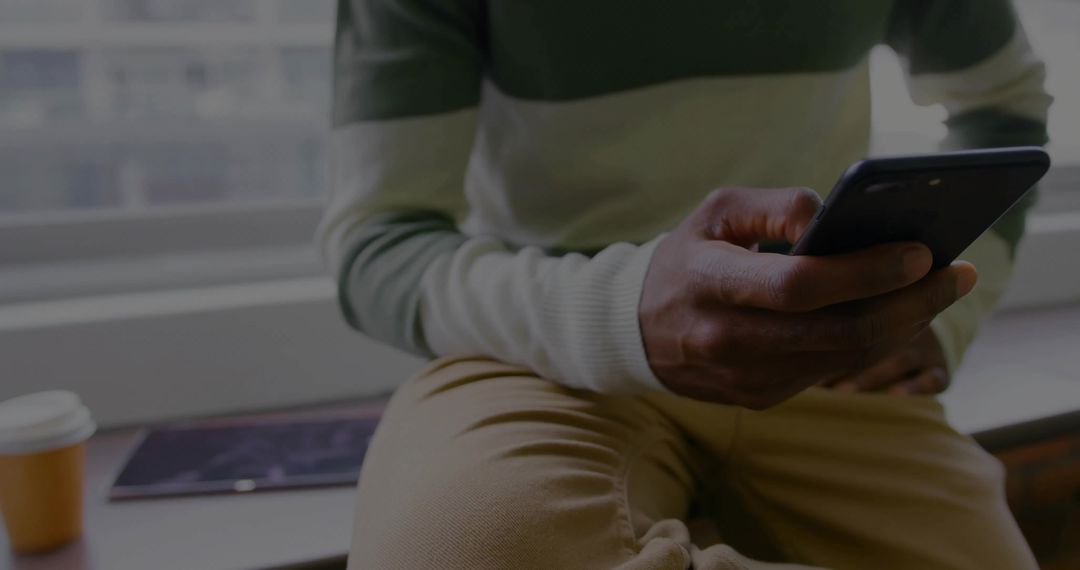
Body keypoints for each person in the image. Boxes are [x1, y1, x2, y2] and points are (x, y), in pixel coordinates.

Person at [318, 1, 1051, 568]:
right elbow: (378, 244)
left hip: (827, 367)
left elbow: (1004, 107)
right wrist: (620, 315)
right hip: (541, 357)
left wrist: (946, 315)